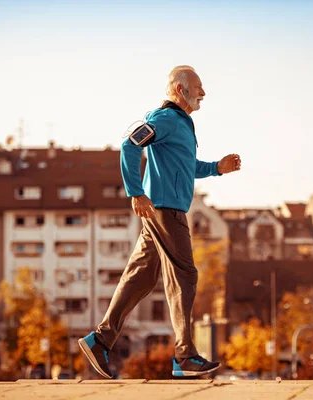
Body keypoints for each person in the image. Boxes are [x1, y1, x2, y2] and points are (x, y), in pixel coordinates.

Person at [79, 65, 241, 378]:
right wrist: (136, 193)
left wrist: (217, 168)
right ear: (181, 90)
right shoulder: (163, 119)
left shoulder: (182, 124)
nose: (203, 93)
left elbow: (187, 166)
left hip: (166, 210)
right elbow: (129, 145)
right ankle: (184, 356)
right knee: (185, 275)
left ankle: (100, 340)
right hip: (166, 211)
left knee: (141, 277)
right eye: (198, 87)